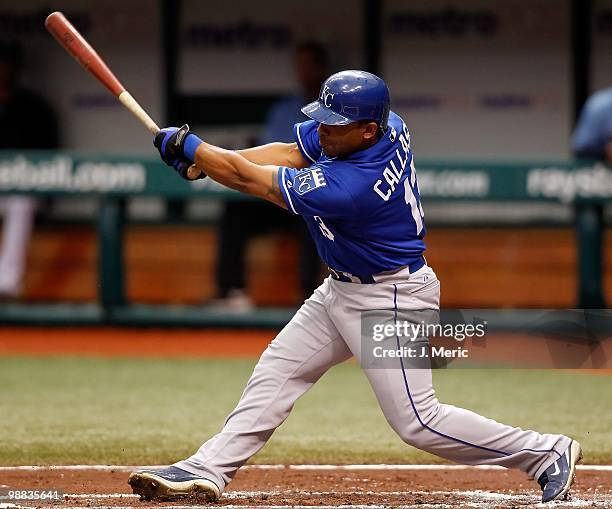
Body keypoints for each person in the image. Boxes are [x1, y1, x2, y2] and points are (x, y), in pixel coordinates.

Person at [128, 71, 581, 504]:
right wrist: (207, 162)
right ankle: (209, 467)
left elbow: (251, 180)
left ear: (366, 131)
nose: (322, 131)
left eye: (334, 125)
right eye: (322, 119)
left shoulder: (352, 186)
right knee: (279, 370)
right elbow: (288, 152)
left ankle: (546, 452)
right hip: (340, 290)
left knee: (418, 422)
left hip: (390, 299)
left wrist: (193, 147)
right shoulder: (386, 124)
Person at [212, 42, 328, 311]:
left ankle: (308, 298)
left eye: (309, 66)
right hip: (278, 189)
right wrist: (209, 158)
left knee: (314, 212)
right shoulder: (284, 108)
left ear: (321, 69)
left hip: (313, 191)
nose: (303, 72)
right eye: (299, 66)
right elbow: (279, 153)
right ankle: (231, 291)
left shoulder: (337, 113)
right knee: (236, 211)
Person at [0, 42, 59, 298]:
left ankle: (6, 284)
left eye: (5, 64)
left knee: (21, 202)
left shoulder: (33, 108)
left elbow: (50, 155)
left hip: (23, 186)